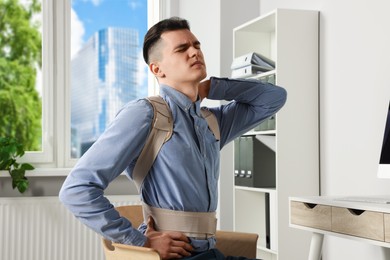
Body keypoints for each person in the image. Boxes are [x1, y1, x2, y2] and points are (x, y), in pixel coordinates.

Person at [59, 17, 287, 260]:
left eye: (197, 46)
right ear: (157, 69)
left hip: (210, 253)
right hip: (177, 256)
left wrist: (213, 88)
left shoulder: (212, 121)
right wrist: (140, 240)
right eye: (182, 49)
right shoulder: (145, 114)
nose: (194, 52)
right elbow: (76, 189)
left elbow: (274, 98)